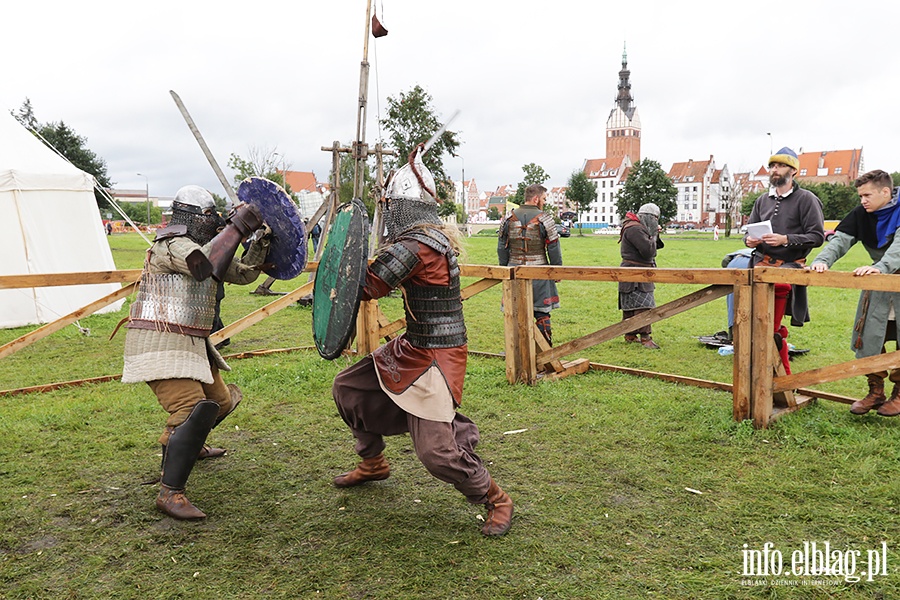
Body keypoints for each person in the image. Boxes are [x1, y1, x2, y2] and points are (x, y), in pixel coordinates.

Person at [332, 146, 513, 537]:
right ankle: (373, 463)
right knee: (348, 388)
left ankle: (496, 497)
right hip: (414, 346)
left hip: (437, 357)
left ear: (401, 206)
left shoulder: (420, 245)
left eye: (390, 205)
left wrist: (341, 262)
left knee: (437, 455)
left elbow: (368, 285)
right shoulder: (425, 237)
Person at [121, 185, 271, 520]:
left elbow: (243, 273)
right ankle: (170, 494)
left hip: (190, 342)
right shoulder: (170, 245)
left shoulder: (208, 248)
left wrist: (258, 241)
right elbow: (201, 266)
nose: (214, 220)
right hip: (159, 342)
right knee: (190, 409)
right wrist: (236, 227)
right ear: (192, 217)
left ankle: (186, 444)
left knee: (220, 403)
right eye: (209, 215)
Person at [808, 170, 900, 416]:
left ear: (885, 192)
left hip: (890, 278)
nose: (862, 200)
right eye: (860, 196)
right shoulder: (862, 213)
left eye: (867, 195)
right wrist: (822, 261)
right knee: (870, 337)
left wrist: (879, 268)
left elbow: (898, 249)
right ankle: (876, 391)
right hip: (878, 284)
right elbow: (840, 240)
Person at [744, 147, 824, 374]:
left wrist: (785, 239)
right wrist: (749, 240)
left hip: (788, 268)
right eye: (772, 166)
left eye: (780, 166)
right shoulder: (762, 200)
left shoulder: (807, 199)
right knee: (751, 323)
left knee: (771, 326)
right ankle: (760, 372)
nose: (774, 170)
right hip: (760, 263)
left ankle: (782, 376)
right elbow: (748, 231)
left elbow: (817, 237)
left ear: (793, 171)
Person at [497, 184, 562, 346]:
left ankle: (515, 349)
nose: (544, 202)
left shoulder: (508, 219)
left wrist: (504, 268)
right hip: (539, 271)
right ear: (536, 199)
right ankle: (544, 351)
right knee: (541, 313)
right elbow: (553, 247)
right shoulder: (545, 219)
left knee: (514, 312)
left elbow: (501, 247)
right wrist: (557, 270)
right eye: (544, 199)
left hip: (514, 270)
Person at [618, 203, 664, 349]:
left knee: (635, 303)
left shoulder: (636, 227)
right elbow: (648, 251)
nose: (656, 222)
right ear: (649, 217)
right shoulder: (635, 228)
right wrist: (654, 233)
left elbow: (653, 246)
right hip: (636, 271)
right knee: (643, 305)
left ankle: (631, 335)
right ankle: (644, 337)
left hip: (636, 270)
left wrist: (653, 233)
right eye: (655, 219)